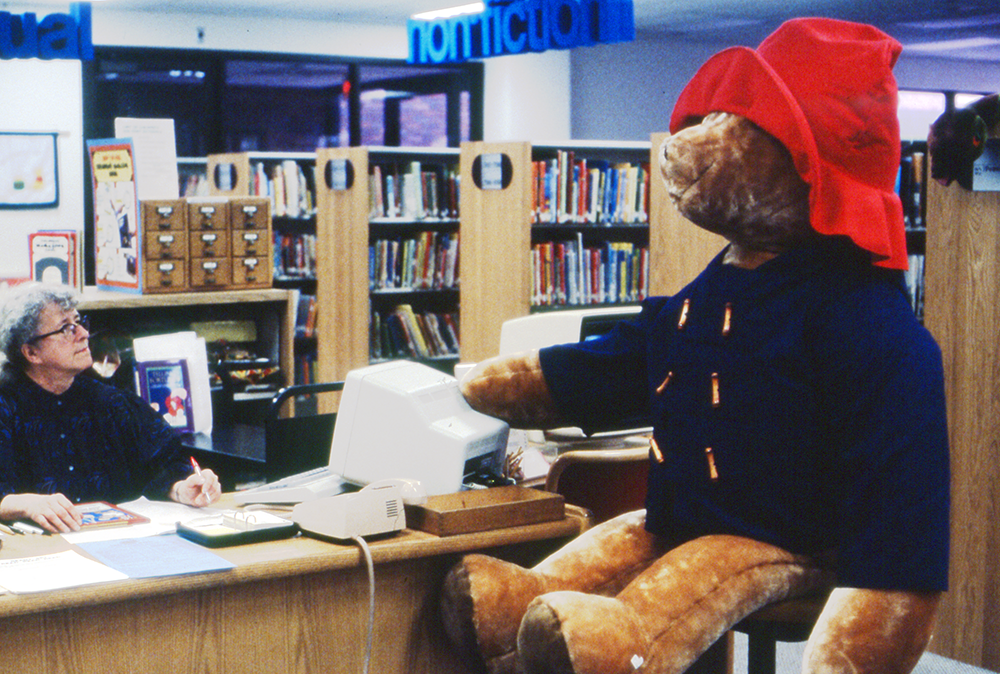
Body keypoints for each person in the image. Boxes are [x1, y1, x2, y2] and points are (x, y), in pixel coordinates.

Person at [0, 283, 221, 533]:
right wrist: (26, 504)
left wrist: (182, 488)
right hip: (35, 551)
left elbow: (164, 464)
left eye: (79, 322)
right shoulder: (6, 408)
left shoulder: (112, 402)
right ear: (31, 352)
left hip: (123, 544)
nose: (83, 333)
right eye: (66, 329)